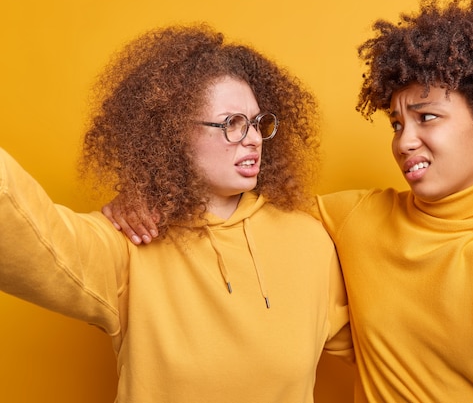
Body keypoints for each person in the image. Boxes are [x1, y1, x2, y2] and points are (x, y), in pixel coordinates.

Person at [104, 0, 473, 403]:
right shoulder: (353, 216)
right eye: (397, 122)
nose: (404, 141)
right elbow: (237, 201)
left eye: (427, 117)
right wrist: (147, 194)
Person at [0, 23, 353, 403]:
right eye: (232, 123)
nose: (252, 137)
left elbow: (390, 344)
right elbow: (34, 237)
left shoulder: (309, 241)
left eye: (255, 122)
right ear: (172, 133)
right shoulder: (132, 240)